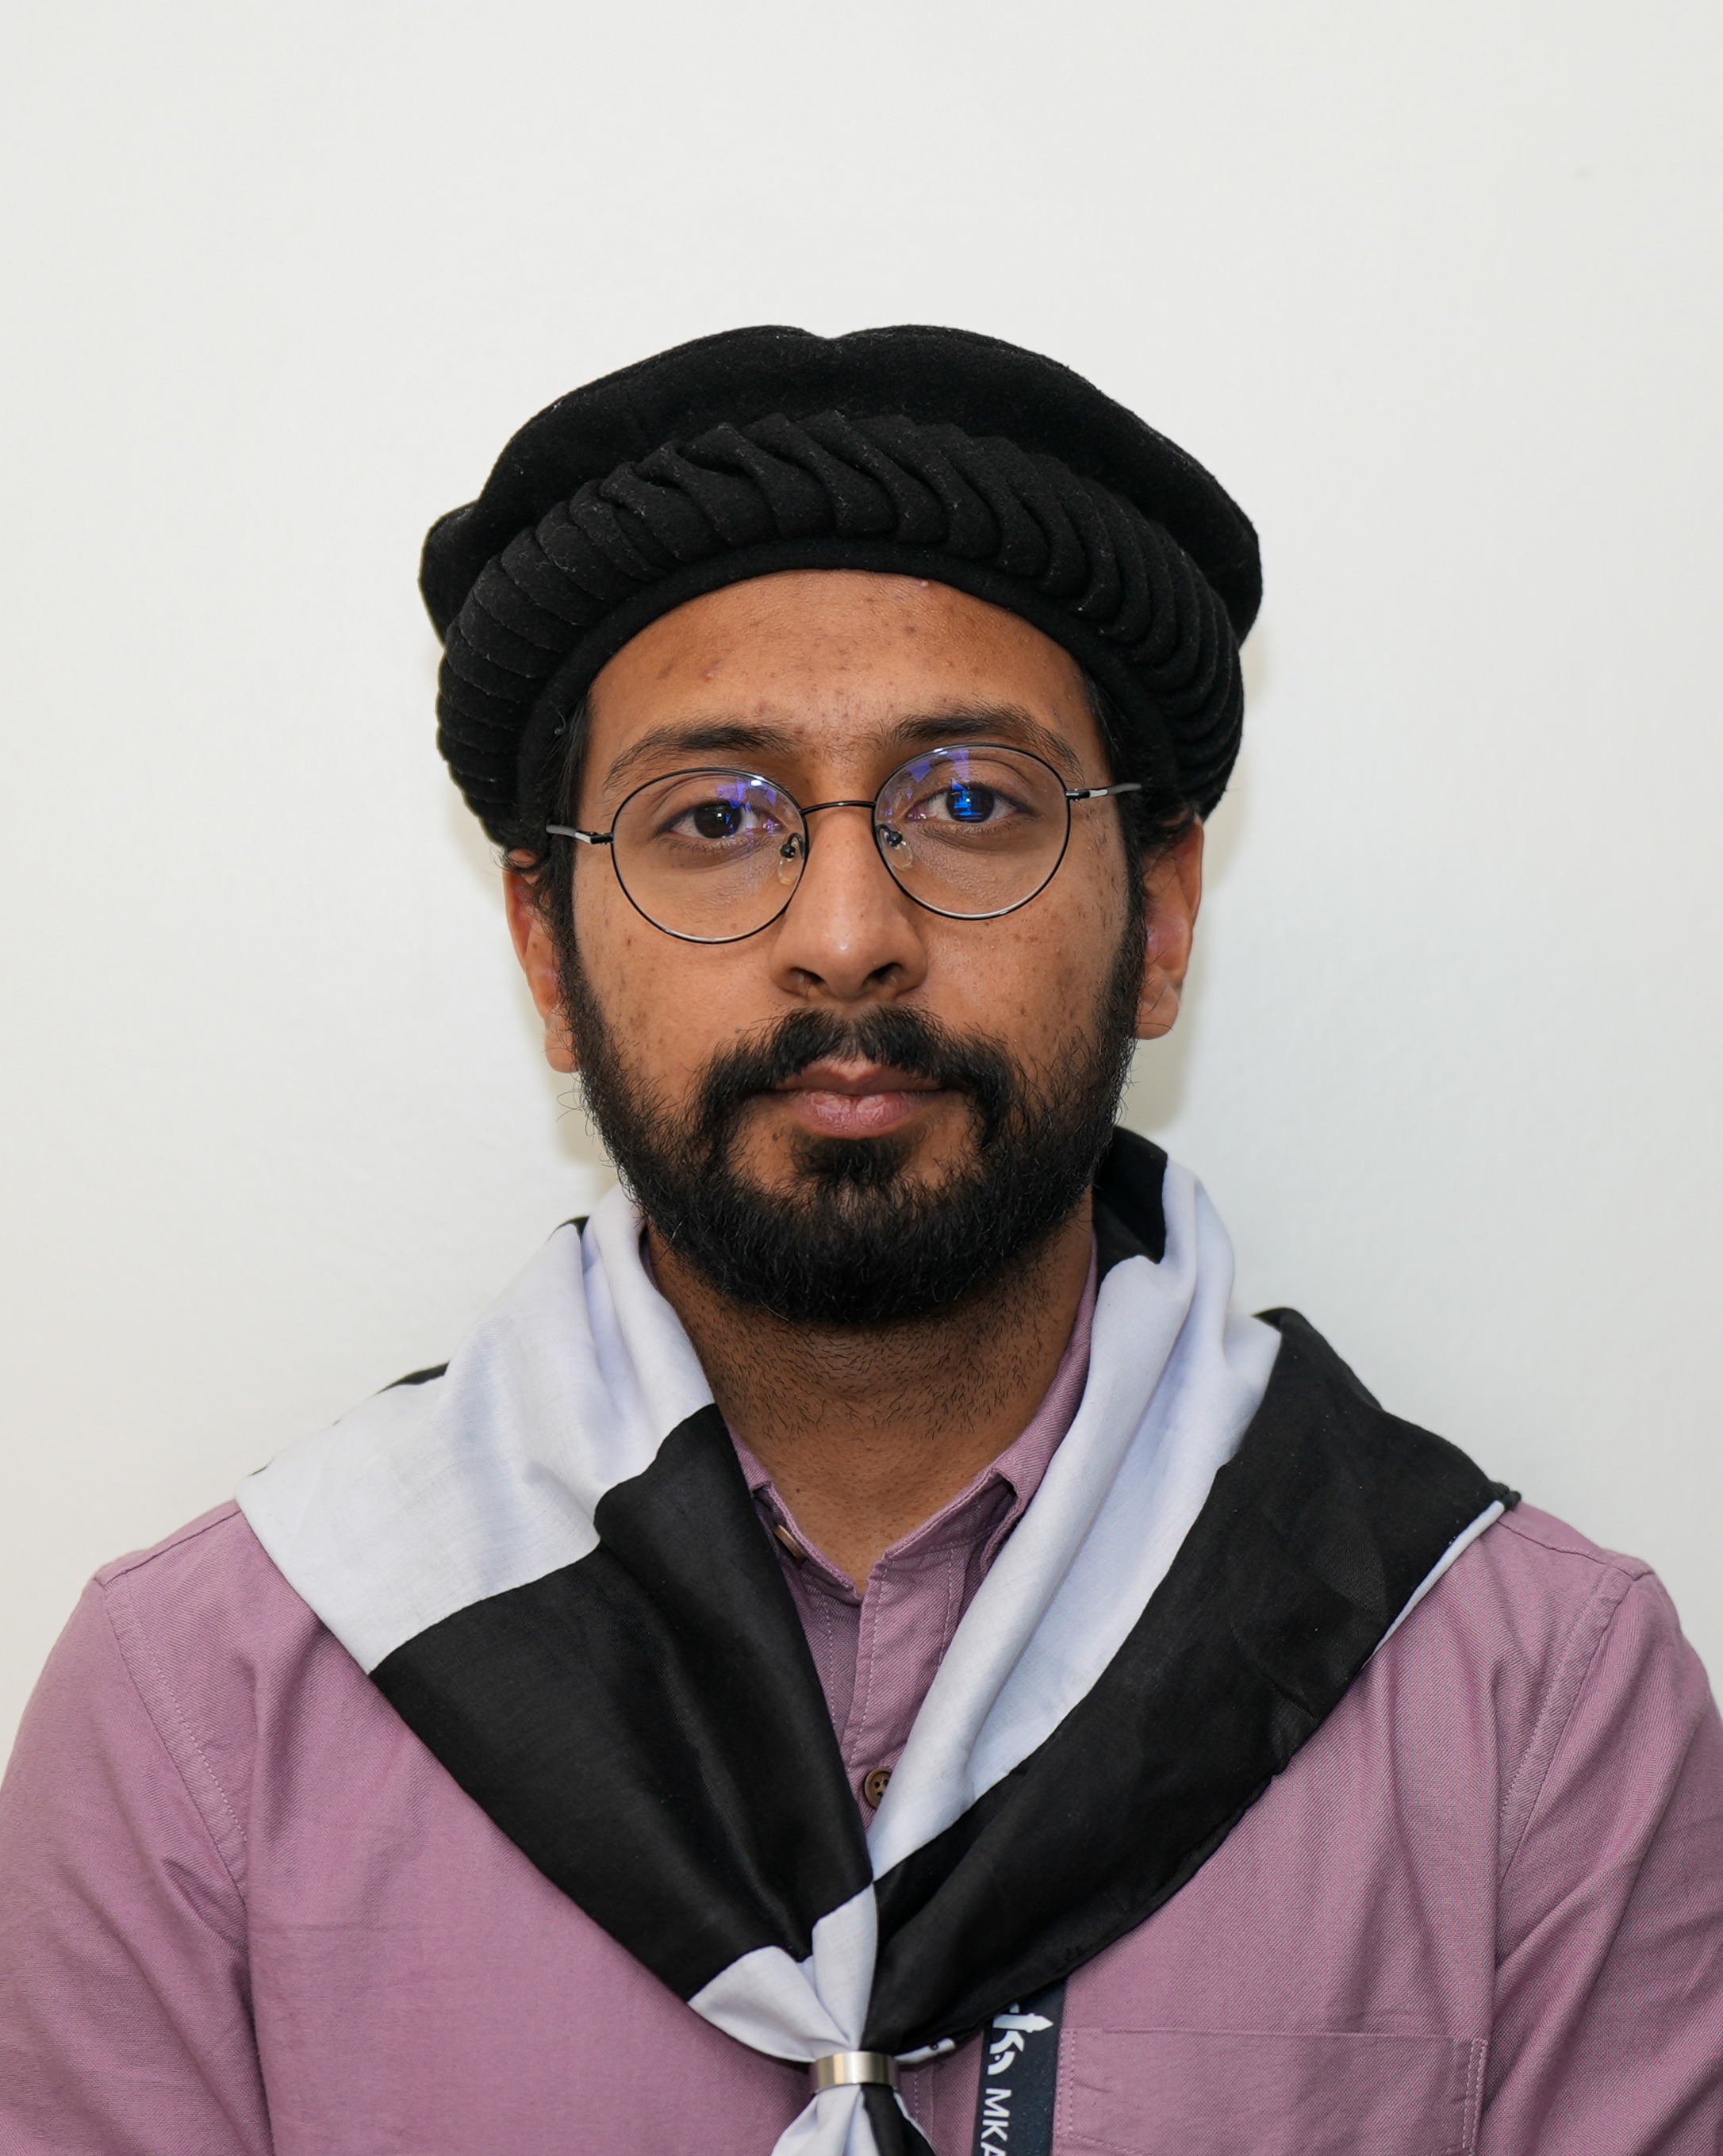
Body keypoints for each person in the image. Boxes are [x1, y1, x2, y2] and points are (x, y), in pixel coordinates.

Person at [2, 325, 1719, 2156]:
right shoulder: (206, 1715)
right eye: (713, 817)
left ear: (1160, 915)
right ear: (545, 947)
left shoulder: (1531, 1708)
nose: (843, 934)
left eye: (970, 802)